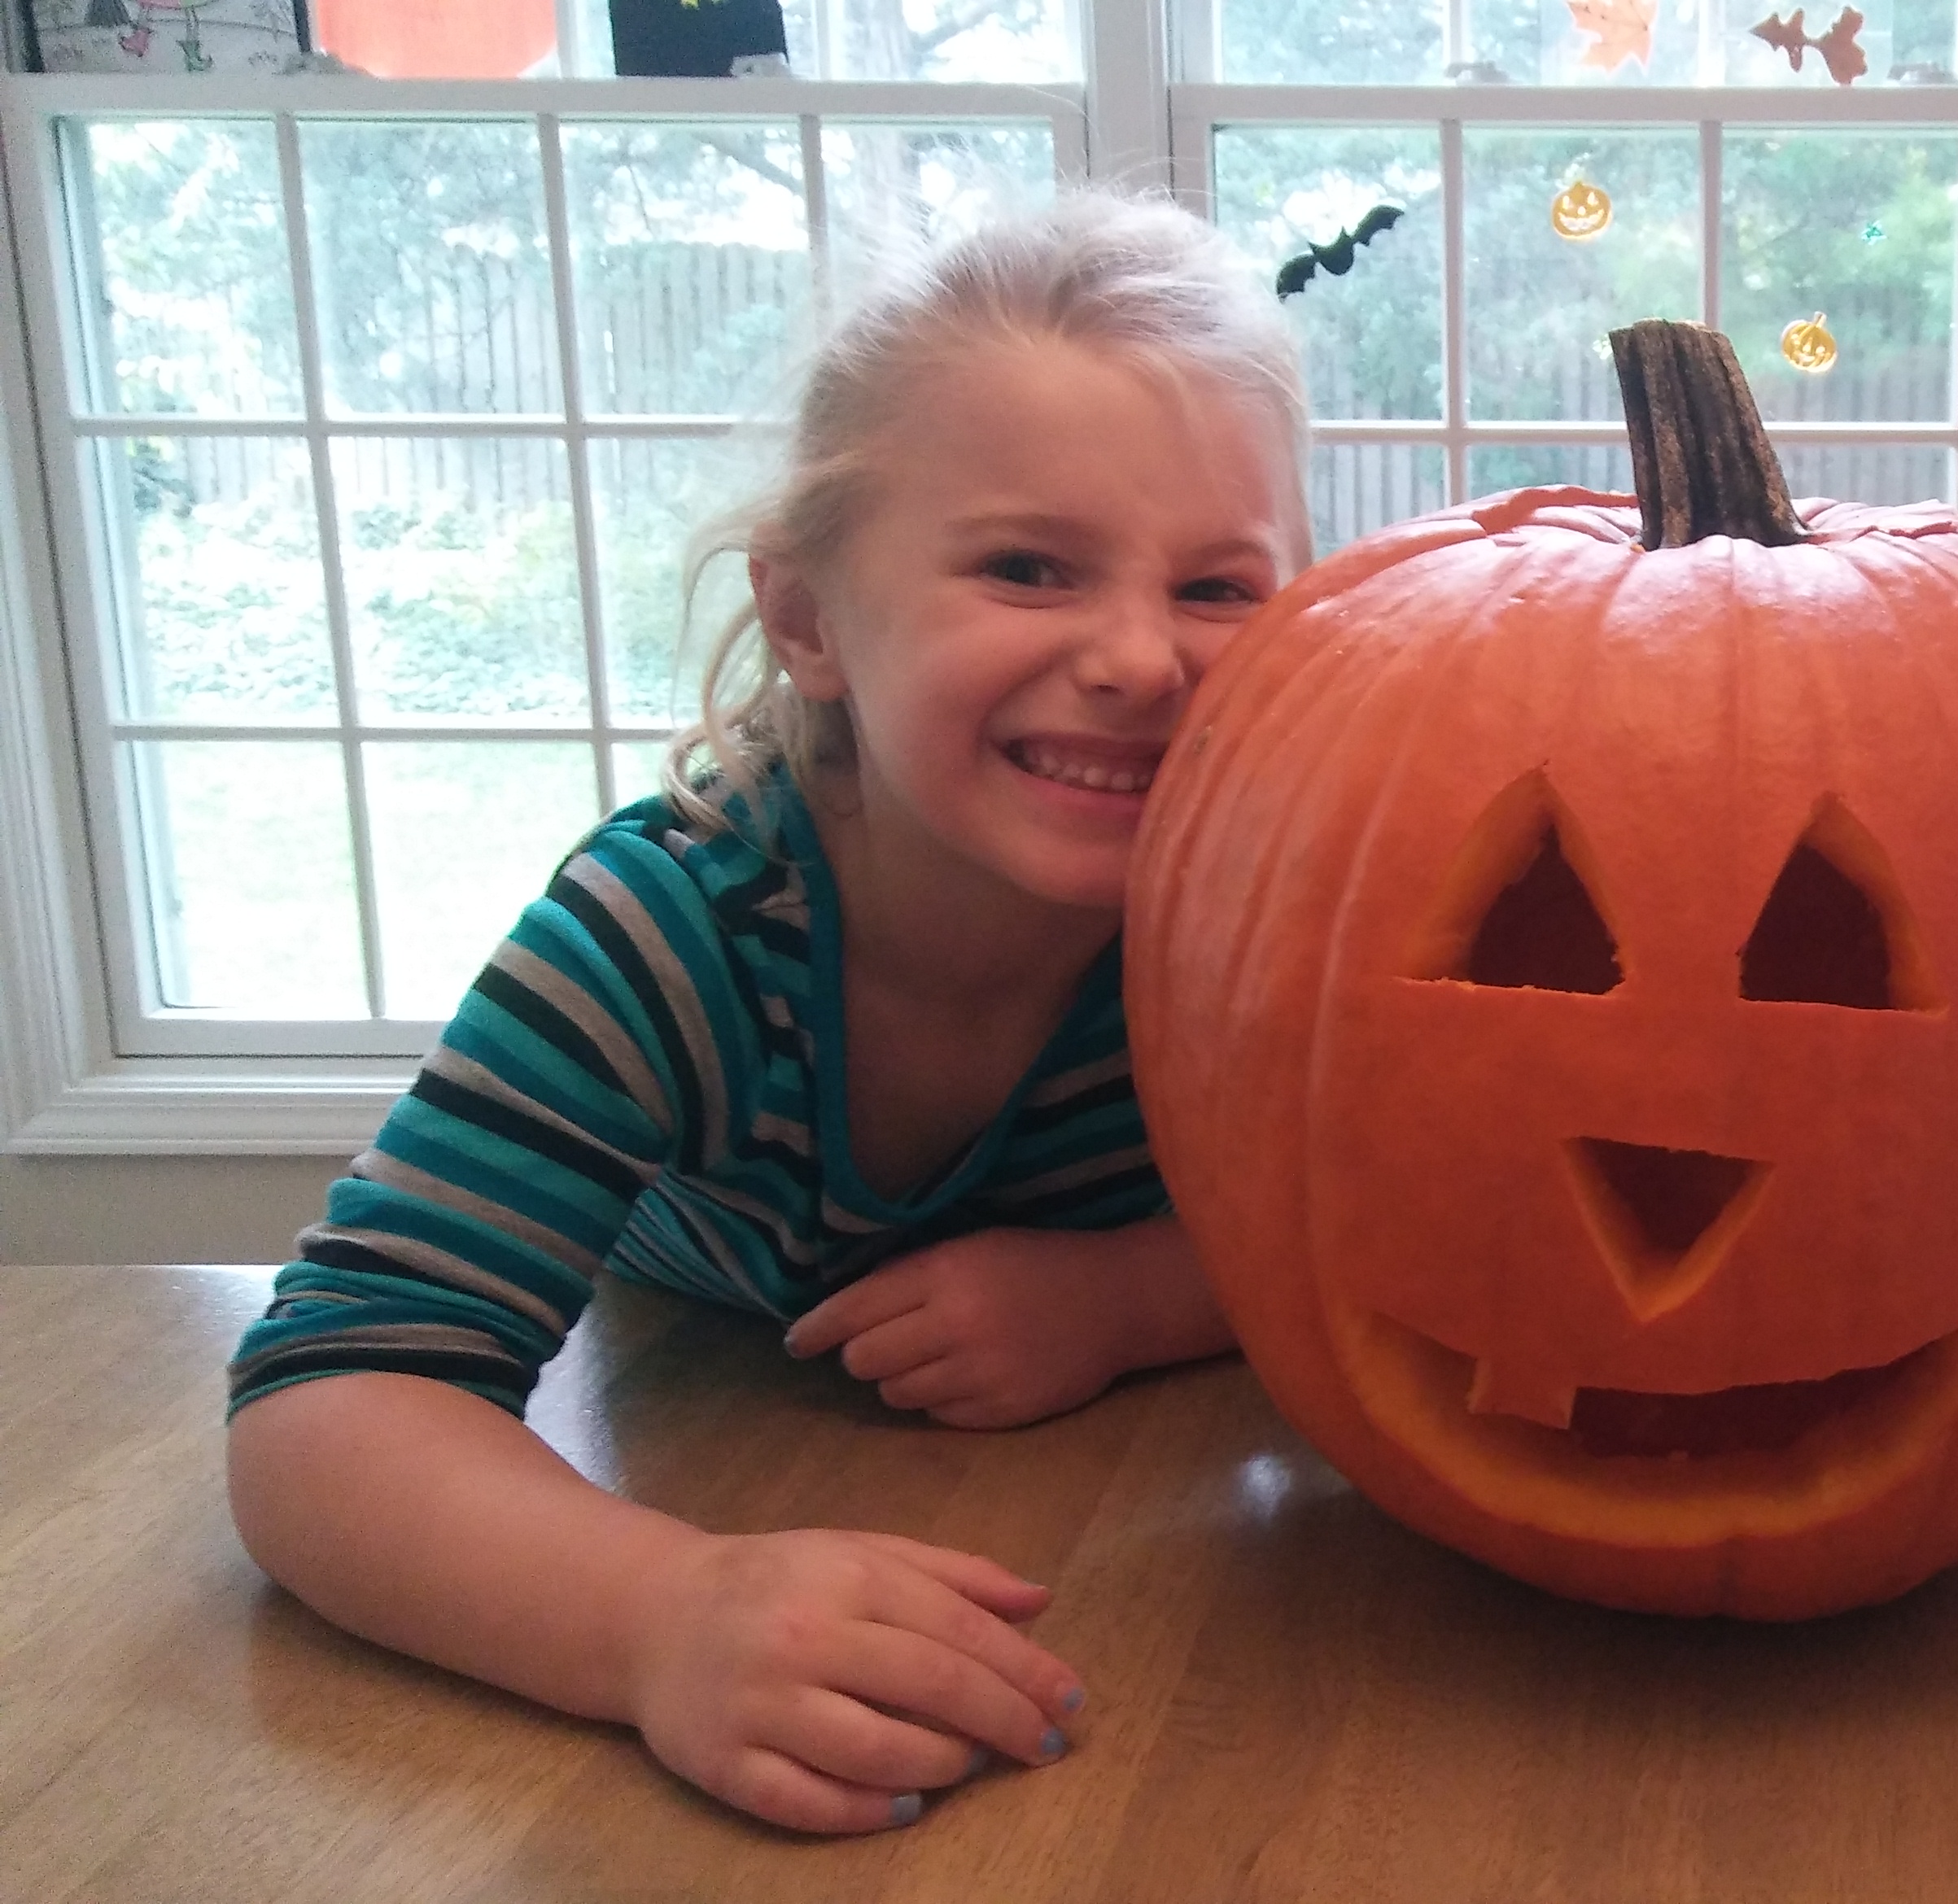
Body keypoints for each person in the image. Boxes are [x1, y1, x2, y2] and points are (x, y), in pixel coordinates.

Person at [222, 187, 1310, 1836]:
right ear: (808, 620)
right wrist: (656, 1616)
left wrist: (1125, 1300)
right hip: (706, 1414)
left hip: (1128, 1549)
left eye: (1220, 587)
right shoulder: (665, 938)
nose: (1140, 659)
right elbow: (327, 1404)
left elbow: (1398, 1237)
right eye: (1027, 567)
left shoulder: (1283, 921)